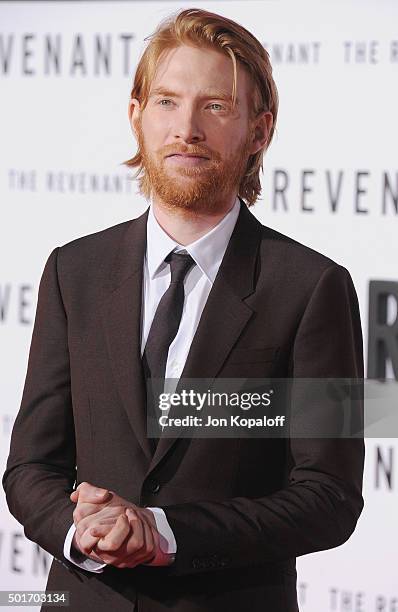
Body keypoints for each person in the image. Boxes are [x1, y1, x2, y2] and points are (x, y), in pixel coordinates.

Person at [2, 7, 364, 612]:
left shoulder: (317, 286)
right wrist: (82, 531)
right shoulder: (72, 271)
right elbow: (30, 467)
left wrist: (165, 533)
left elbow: (331, 497)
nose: (186, 128)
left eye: (215, 106)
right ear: (136, 116)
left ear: (260, 130)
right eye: (167, 102)